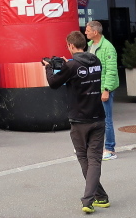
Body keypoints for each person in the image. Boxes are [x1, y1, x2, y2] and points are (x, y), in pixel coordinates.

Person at [44, 31, 110, 213]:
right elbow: (81, 72)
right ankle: (101, 197)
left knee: (83, 157)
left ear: (71, 46)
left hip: (80, 119)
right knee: (94, 159)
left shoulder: (72, 65)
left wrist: (48, 67)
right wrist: (69, 64)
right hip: (98, 116)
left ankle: (88, 201)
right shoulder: (95, 61)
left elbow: (53, 83)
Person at [85, 20, 120, 161]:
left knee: (106, 120)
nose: (85, 32)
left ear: (95, 32)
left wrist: (106, 90)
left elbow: (111, 70)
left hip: (103, 89)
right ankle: (95, 147)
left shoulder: (108, 47)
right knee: (93, 119)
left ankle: (110, 149)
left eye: (88, 30)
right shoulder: (90, 46)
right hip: (93, 88)